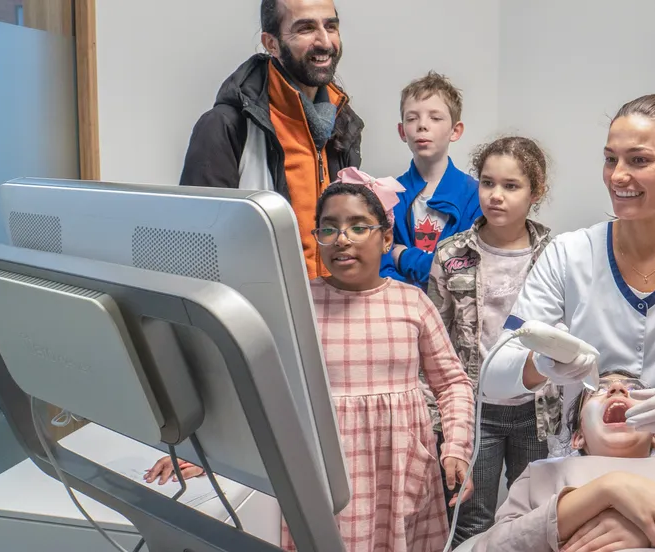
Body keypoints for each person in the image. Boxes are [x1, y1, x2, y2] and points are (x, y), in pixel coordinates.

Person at [146, 167, 476, 552]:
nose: (342, 239)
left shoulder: (413, 303)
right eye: (329, 228)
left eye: (358, 227)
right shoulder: (295, 304)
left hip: (400, 474)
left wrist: (456, 447)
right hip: (321, 474)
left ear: (386, 238)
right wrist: (203, 451)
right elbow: (249, 387)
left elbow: (453, 383)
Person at [481, 94, 655, 468]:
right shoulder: (569, 255)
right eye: (610, 159)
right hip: (583, 477)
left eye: (639, 160)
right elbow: (494, 379)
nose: (618, 176)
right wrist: (542, 365)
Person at [471, 371, 655, 552]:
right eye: (599, 388)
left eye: (632, 388)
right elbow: (491, 546)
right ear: (577, 437)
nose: (617, 389)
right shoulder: (541, 475)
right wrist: (607, 489)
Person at [426, 137, 557, 545]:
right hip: (474, 412)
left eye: (511, 186)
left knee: (536, 522)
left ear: (536, 193)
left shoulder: (555, 254)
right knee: (471, 521)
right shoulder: (451, 254)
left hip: (536, 412)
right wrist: (440, 422)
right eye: (487, 183)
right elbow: (434, 345)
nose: (495, 196)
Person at [178, 0, 364, 280]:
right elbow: (196, 252)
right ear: (271, 43)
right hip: (262, 313)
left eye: (331, 26)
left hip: (334, 308)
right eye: (306, 28)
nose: (325, 42)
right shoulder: (226, 126)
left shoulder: (344, 124)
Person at [379, 71, 481, 290]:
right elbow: (380, 266)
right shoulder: (387, 194)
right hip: (403, 310)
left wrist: (403, 256)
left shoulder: (475, 196)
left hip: (456, 316)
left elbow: (463, 271)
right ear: (402, 131)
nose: (422, 125)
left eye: (435, 118)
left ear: (455, 131)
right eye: (412, 118)